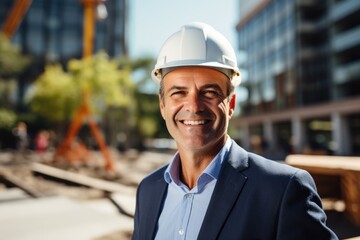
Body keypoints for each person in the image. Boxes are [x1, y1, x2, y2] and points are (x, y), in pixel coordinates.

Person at [132, 22, 338, 240]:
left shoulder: (283, 190)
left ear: (230, 105)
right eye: (179, 93)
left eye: (209, 92)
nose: (193, 106)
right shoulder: (148, 190)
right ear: (162, 105)